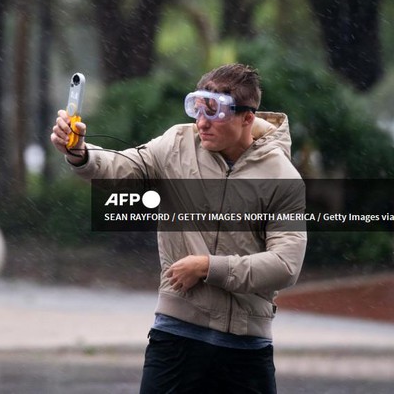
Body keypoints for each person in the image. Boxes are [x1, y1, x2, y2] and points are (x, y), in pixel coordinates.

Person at [50, 63, 307, 394]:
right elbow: (123, 167)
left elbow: (286, 265)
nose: (201, 123)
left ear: (247, 117)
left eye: (214, 113)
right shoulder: (176, 143)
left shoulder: (282, 178)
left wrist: (207, 267)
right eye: (197, 109)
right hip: (177, 333)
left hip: (246, 345)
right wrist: (81, 154)